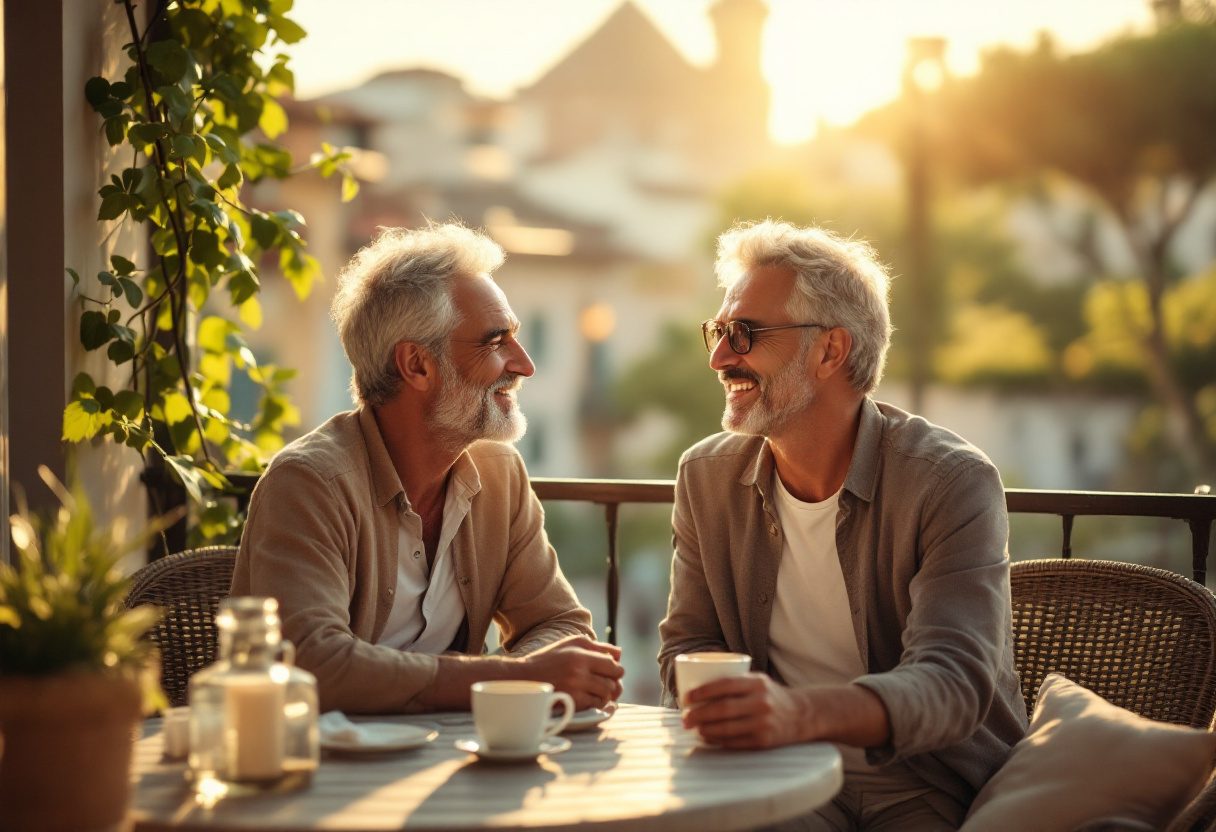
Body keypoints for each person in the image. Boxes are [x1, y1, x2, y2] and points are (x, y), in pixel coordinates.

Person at [658, 220, 1027, 830]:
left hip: (930, 784)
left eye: (745, 334)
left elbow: (953, 684)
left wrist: (796, 714)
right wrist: (725, 701)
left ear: (830, 350)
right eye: (718, 333)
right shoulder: (706, 476)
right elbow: (687, 644)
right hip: (780, 775)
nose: (720, 358)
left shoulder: (950, 481)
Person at [232, 223, 623, 714]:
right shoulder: (309, 483)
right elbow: (312, 664)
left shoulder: (499, 473)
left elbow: (561, 624)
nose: (524, 365)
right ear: (417, 365)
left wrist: (511, 682)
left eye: (516, 338)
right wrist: (512, 678)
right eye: (496, 341)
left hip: (455, 752)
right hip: (325, 757)